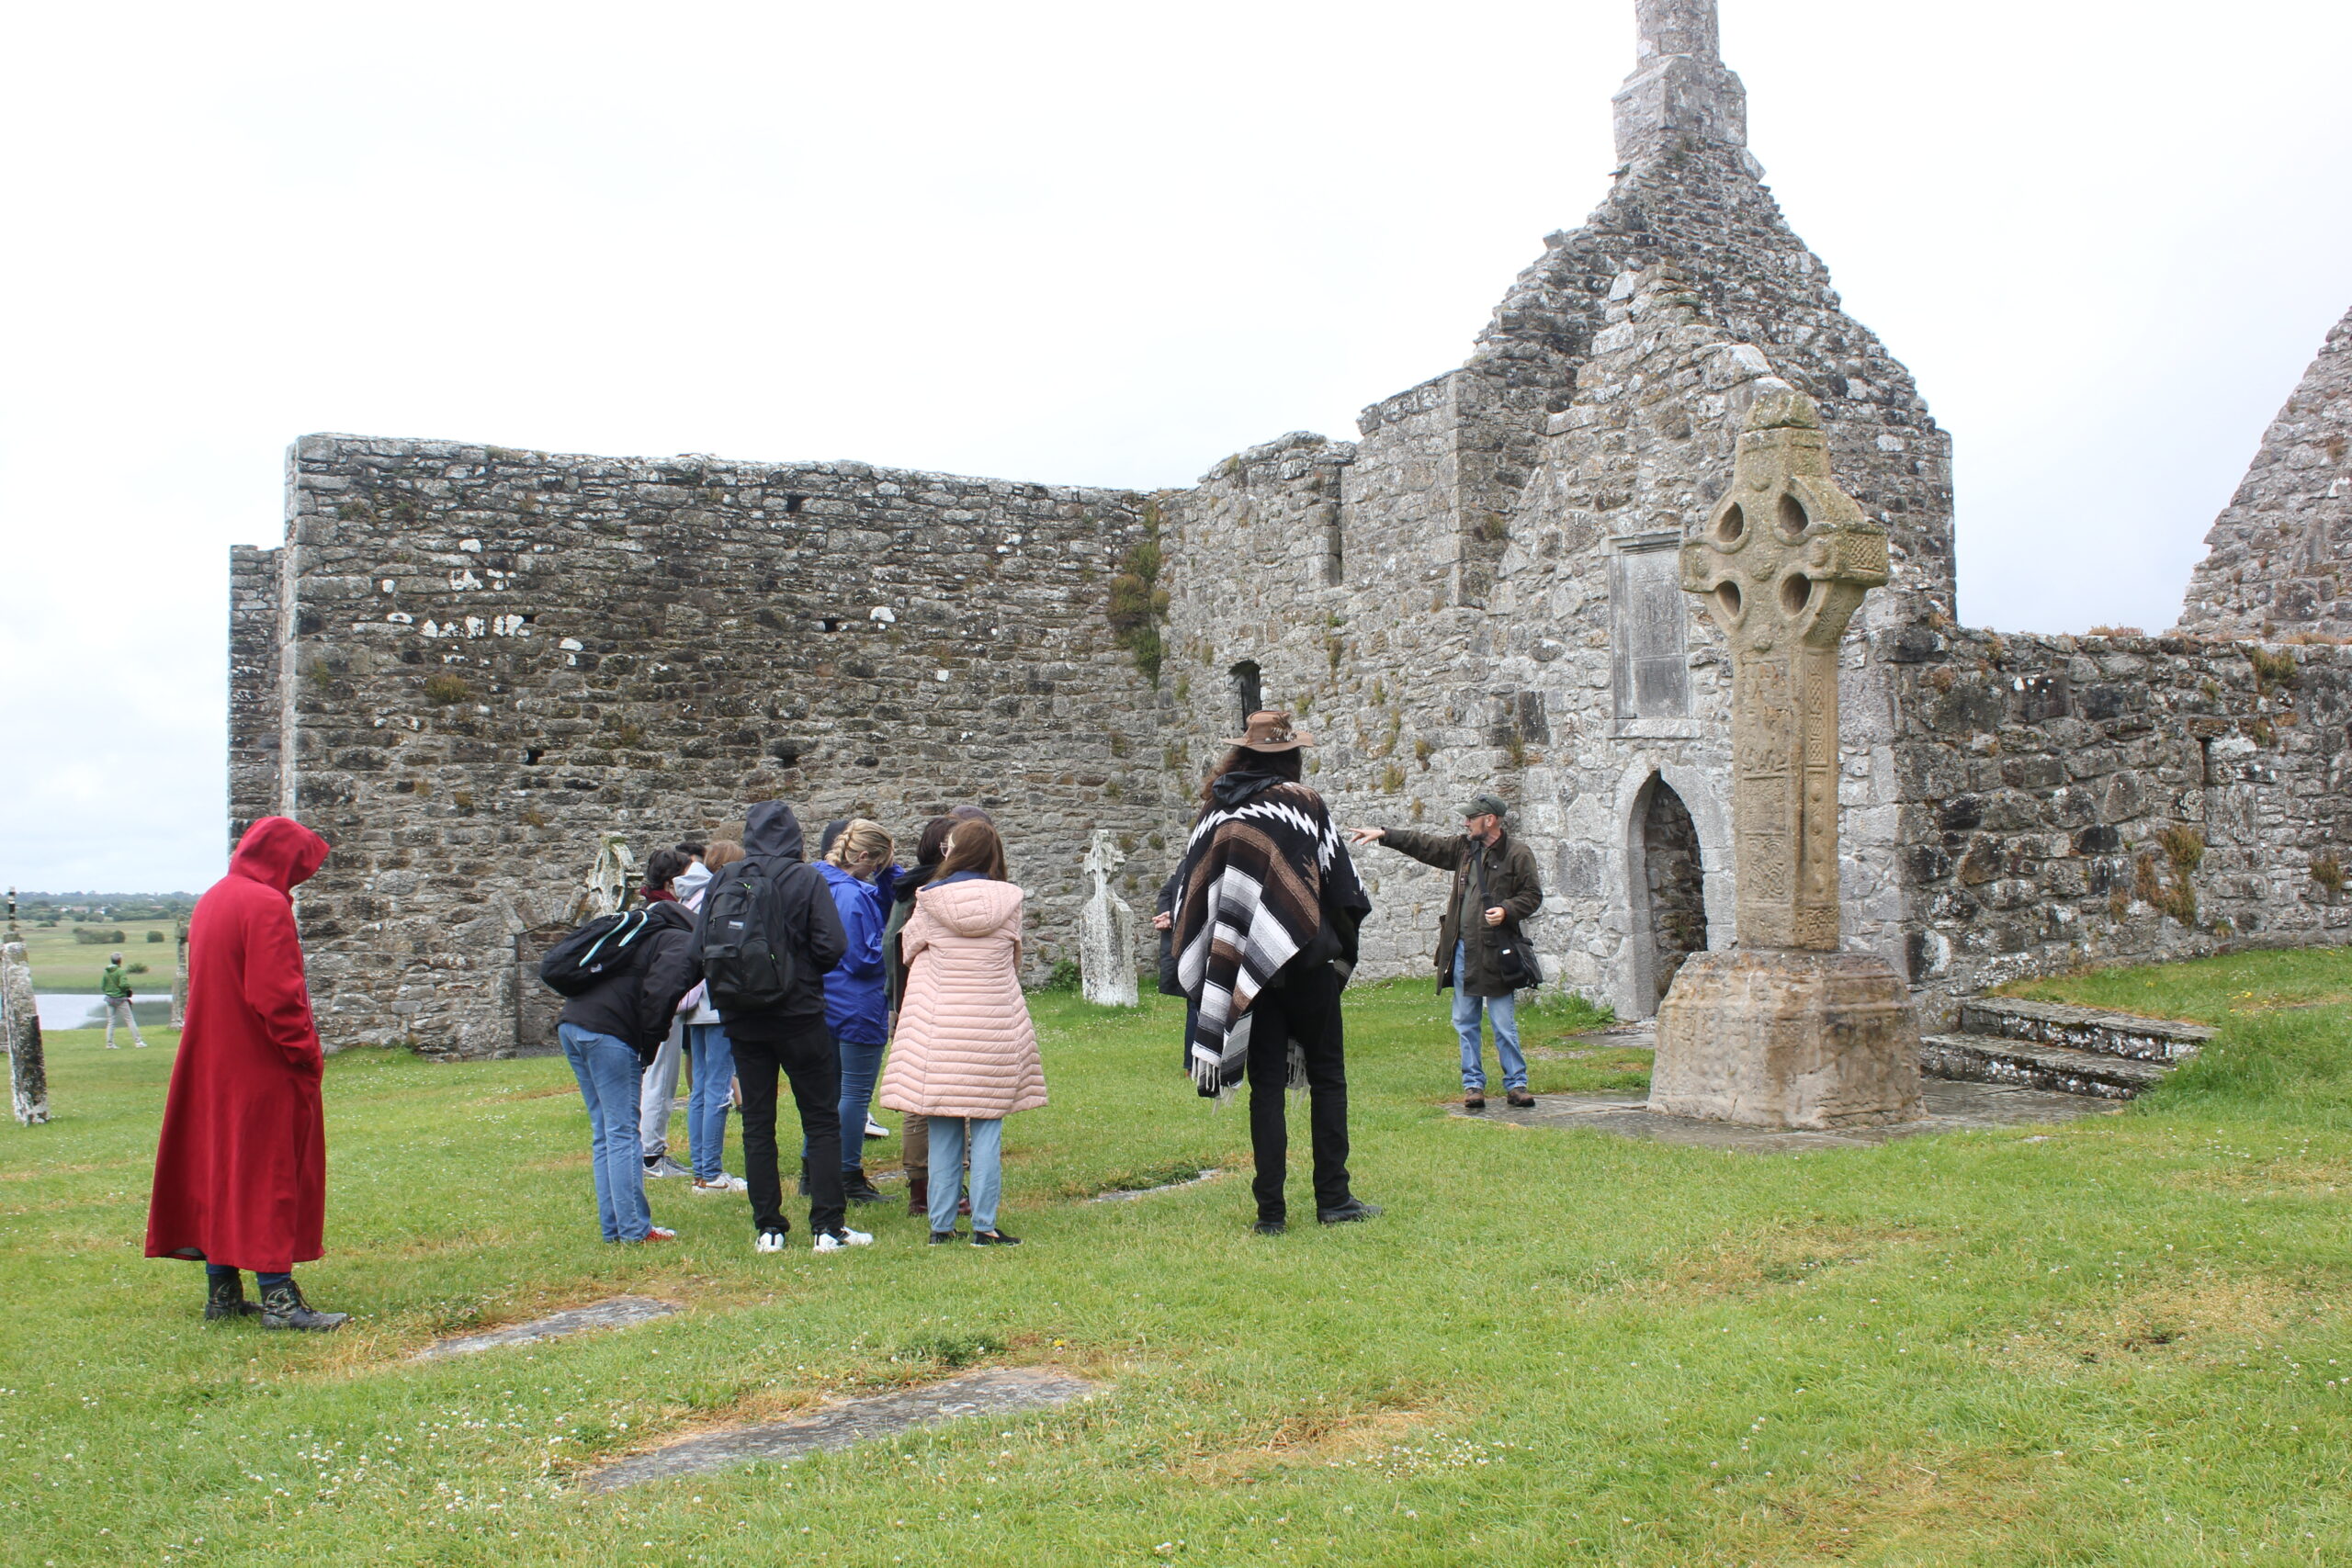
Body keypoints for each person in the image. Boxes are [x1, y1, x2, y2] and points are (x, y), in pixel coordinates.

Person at [1170, 711, 1376, 1235]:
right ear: (1291, 755)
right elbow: (1340, 888)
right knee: (1328, 1076)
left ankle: (1271, 1214)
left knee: (1265, 1087)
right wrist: (1336, 955)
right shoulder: (1303, 805)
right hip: (1307, 965)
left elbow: (1190, 895)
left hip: (1245, 975)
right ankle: (1334, 1198)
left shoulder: (1214, 813)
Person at [145, 816, 347, 1329]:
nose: (299, 880)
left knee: (224, 1169)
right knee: (268, 1173)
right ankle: (279, 1298)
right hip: (260, 1064)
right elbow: (276, 996)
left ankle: (223, 1293)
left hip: (212, 1060)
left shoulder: (214, 898)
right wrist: (305, 1054)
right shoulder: (264, 904)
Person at [695, 801, 870, 1254]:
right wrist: (801, 972)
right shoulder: (804, 878)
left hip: (742, 1016)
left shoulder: (724, 879)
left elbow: (700, 947)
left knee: (758, 1121)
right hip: (799, 1013)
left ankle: (769, 1227)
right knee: (820, 1118)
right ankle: (828, 1227)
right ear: (794, 836)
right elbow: (833, 944)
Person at [880, 819, 1044, 1246]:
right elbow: (1013, 958)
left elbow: (909, 952)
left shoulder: (928, 900)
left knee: (943, 1129)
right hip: (993, 1027)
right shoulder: (1009, 901)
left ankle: (941, 1224)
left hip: (940, 1029)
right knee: (988, 1129)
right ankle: (985, 1225)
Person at [1350, 792, 1545, 1111]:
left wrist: (1508, 910)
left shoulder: (1518, 853)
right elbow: (1426, 844)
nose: (1466, 822)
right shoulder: (1463, 848)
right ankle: (1473, 1086)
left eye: (1471, 817)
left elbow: (1533, 895)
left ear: (1490, 820)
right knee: (1466, 1022)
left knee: (1503, 1024)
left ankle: (1517, 1084)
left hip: (1498, 954)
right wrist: (1386, 835)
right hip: (1463, 951)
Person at [556, 855, 703, 1245]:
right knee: (623, 1133)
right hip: (609, 1033)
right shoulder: (681, 941)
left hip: (574, 1024)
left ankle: (616, 1228)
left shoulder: (642, 929)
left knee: (606, 1131)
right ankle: (636, 1231)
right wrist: (648, 1046)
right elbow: (661, 996)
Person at [883, 806, 992, 1218]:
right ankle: (929, 1189)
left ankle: (930, 1190)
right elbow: (897, 951)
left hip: (918, 1002)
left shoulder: (913, 889)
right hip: (934, 1002)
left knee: (927, 1099)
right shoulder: (929, 893)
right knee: (938, 1102)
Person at [818, 819, 896, 1206]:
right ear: (862, 857)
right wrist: (893, 949)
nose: (878, 872)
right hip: (856, 1002)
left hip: (826, 998)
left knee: (828, 1092)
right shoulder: (849, 895)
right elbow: (863, 958)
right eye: (877, 864)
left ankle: (813, 1170)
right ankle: (847, 1174)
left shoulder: (818, 882)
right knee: (853, 1094)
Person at [677, 841, 745, 1195]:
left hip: (693, 1000)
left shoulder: (689, 897)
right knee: (717, 1087)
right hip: (715, 1000)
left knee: (701, 1089)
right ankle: (710, 1173)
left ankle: (701, 1171)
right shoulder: (719, 898)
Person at [636, 850, 698, 1179]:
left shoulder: (651, 907)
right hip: (662, 1004)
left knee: (656, 1078)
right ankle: (650, 1155)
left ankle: (650, 1150)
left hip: (655, 1002)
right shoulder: (664, 910)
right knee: (659, 1079)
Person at [101, 950, 149, 1048]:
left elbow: (103, 986)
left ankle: (109, 1044)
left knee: (111, 1021)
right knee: (130, 1020)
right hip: (120, 999)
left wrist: (110, 991)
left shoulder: (106, 971)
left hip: (109, 999)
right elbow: (123, 985)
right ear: (119, 961)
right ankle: (138, 1042)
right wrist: (127, 988)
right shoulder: (120, 971)